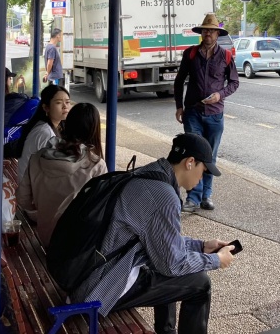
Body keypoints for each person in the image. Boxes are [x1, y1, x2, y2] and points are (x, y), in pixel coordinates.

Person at [70, 134, 236, 334]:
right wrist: (216, 260)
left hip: (88, 274)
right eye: (204, 170)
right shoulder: (164, 197)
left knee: (162, 264)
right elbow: (173, 264)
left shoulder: (149, 174)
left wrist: (200, 246)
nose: (203, 177)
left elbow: (161, 242)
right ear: (190, 162)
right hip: (100, 288)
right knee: (200, 283)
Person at [174, 13, 239, 212]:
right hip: (192, 112)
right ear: (201, 33)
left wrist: (220, 95)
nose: (208, 34)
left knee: (210, 156)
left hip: (215, 114)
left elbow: (234, 82)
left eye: (211, 31)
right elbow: (179, 80)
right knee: (193, 154)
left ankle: (206, 196)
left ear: (217, 34)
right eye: (205, 30)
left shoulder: (226, 56)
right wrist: (179, 106)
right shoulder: (191, 54)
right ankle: (193, 198)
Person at [17, 103, 107, 245]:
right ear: (94, 131)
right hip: (77, 245)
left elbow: (22, 199)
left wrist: (44, 212)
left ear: (67, 125)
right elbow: (101, 210)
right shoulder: (96, 165)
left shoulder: (37, 157)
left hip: (46, 237)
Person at [16, 84, 71, 183]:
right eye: (58, 103)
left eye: (67, 102)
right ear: (46, 108)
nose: (65, 106)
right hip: (32, 188)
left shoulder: (51, 126)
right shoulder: (45, 133)